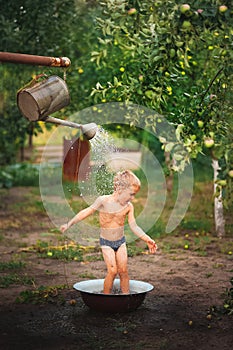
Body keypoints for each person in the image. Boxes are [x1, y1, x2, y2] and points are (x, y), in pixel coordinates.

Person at [60, 170, 157, 294]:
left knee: (123, 271)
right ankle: (106, 298)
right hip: (106, 243)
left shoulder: (128, 206)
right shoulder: (103, 201)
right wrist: (69, 223)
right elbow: (87, 211)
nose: (132, 198)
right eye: (131, 194)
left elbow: (134, 226)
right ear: (120, 188)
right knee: (112, 271)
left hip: (121, 242)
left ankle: (125, 298)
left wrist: (147, 239)